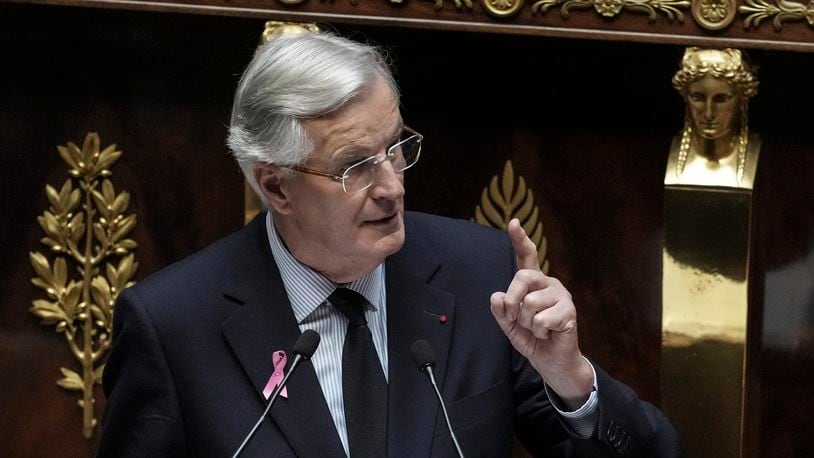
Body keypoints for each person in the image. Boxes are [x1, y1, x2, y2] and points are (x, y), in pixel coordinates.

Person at [98, 32, 681, 457]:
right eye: (355, 167)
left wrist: (571, 378)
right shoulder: (173, 326)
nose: (393, 187)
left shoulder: (480, 277)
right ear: (276, 185)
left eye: (396, 147)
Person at [666, 47, 760, 189]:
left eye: (721, 99)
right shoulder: (663, 157)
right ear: (685, 96)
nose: (709, 114)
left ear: (743, 99)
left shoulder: (763, 161)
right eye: (698, 98)